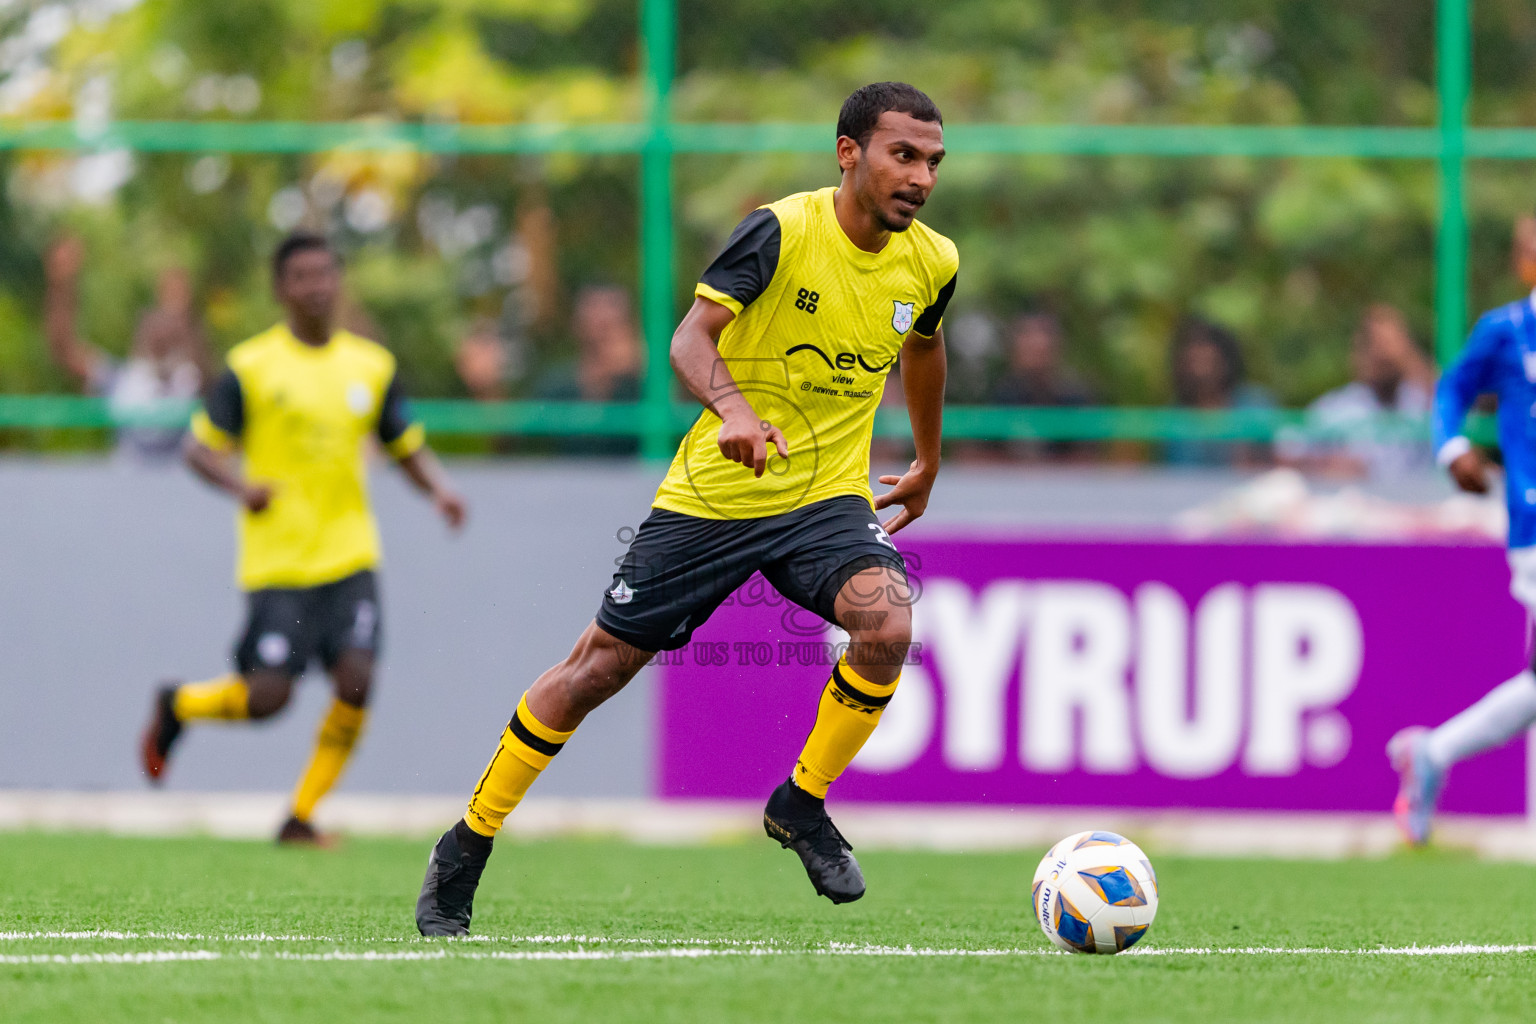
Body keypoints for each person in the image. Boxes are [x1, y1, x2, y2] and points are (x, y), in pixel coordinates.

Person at [414, 81, 958, 935]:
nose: (920, 176)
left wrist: (927, 459)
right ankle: (466, 845)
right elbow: (687, 339)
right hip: (714, 495)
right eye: (903, 155)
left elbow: (924, 349)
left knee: (887, 624)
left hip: (823, 497)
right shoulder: (782, 230)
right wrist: (736, 411)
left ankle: (801, 804)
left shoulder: (933, 260)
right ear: (849, 153)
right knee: (596, 670)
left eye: (931, 160)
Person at [138, 232, 467, 845]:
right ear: (280, 288)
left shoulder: (371, 367)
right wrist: (242, 490)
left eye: (326, 273)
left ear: (339, 282)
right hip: (279, 563)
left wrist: (440, 491)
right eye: (302, 276)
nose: (316, 285)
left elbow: (404, 446)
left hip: (349, 556)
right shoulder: (251, 368)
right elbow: (199, 449)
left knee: (357, 678)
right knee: (268, 698)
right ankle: (178, 705)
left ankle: (301, 816)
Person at [1389, 212, 1536, 845]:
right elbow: (1451, 389)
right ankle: (1433, 754)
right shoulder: (1505, 331)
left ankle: (1434, 752)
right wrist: (1452, 449)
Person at [44, 237, 211, 459]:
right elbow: (66, 350)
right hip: (128, 488)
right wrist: (61, 286)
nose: (163, 328)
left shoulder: (198, 385)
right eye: (155, 323)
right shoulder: (122, 380)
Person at [1276, 305, 1435, 479]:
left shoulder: (1418, 401)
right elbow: (1287, 451)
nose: (1384, 355)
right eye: (1377, 345)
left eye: (1392, 344)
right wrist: (1325, 465)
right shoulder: (1341, 407)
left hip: (1416, 501)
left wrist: (1401, 352)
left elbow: (1448, 394)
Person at [533, 284, 644, 455]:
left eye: (611, 322)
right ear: (576, 323)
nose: (602, 324)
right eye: (594, 314)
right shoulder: (556, 388)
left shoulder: (642, 388)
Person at [983, 311, 1096, 463]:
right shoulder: (999, 396)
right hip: (1009, 483)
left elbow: (1087, 458)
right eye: (1028, 347)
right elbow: (978, 454)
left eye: (1041, 351)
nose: (1035, 353)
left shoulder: (1073, 399)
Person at [1164, 316, 1273, 468]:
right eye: (1193, 361)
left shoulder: (1255, 404)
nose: (1199, 370)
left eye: (1207, 361)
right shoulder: (1175, 417)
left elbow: (1276, 461)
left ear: (1225, 361)